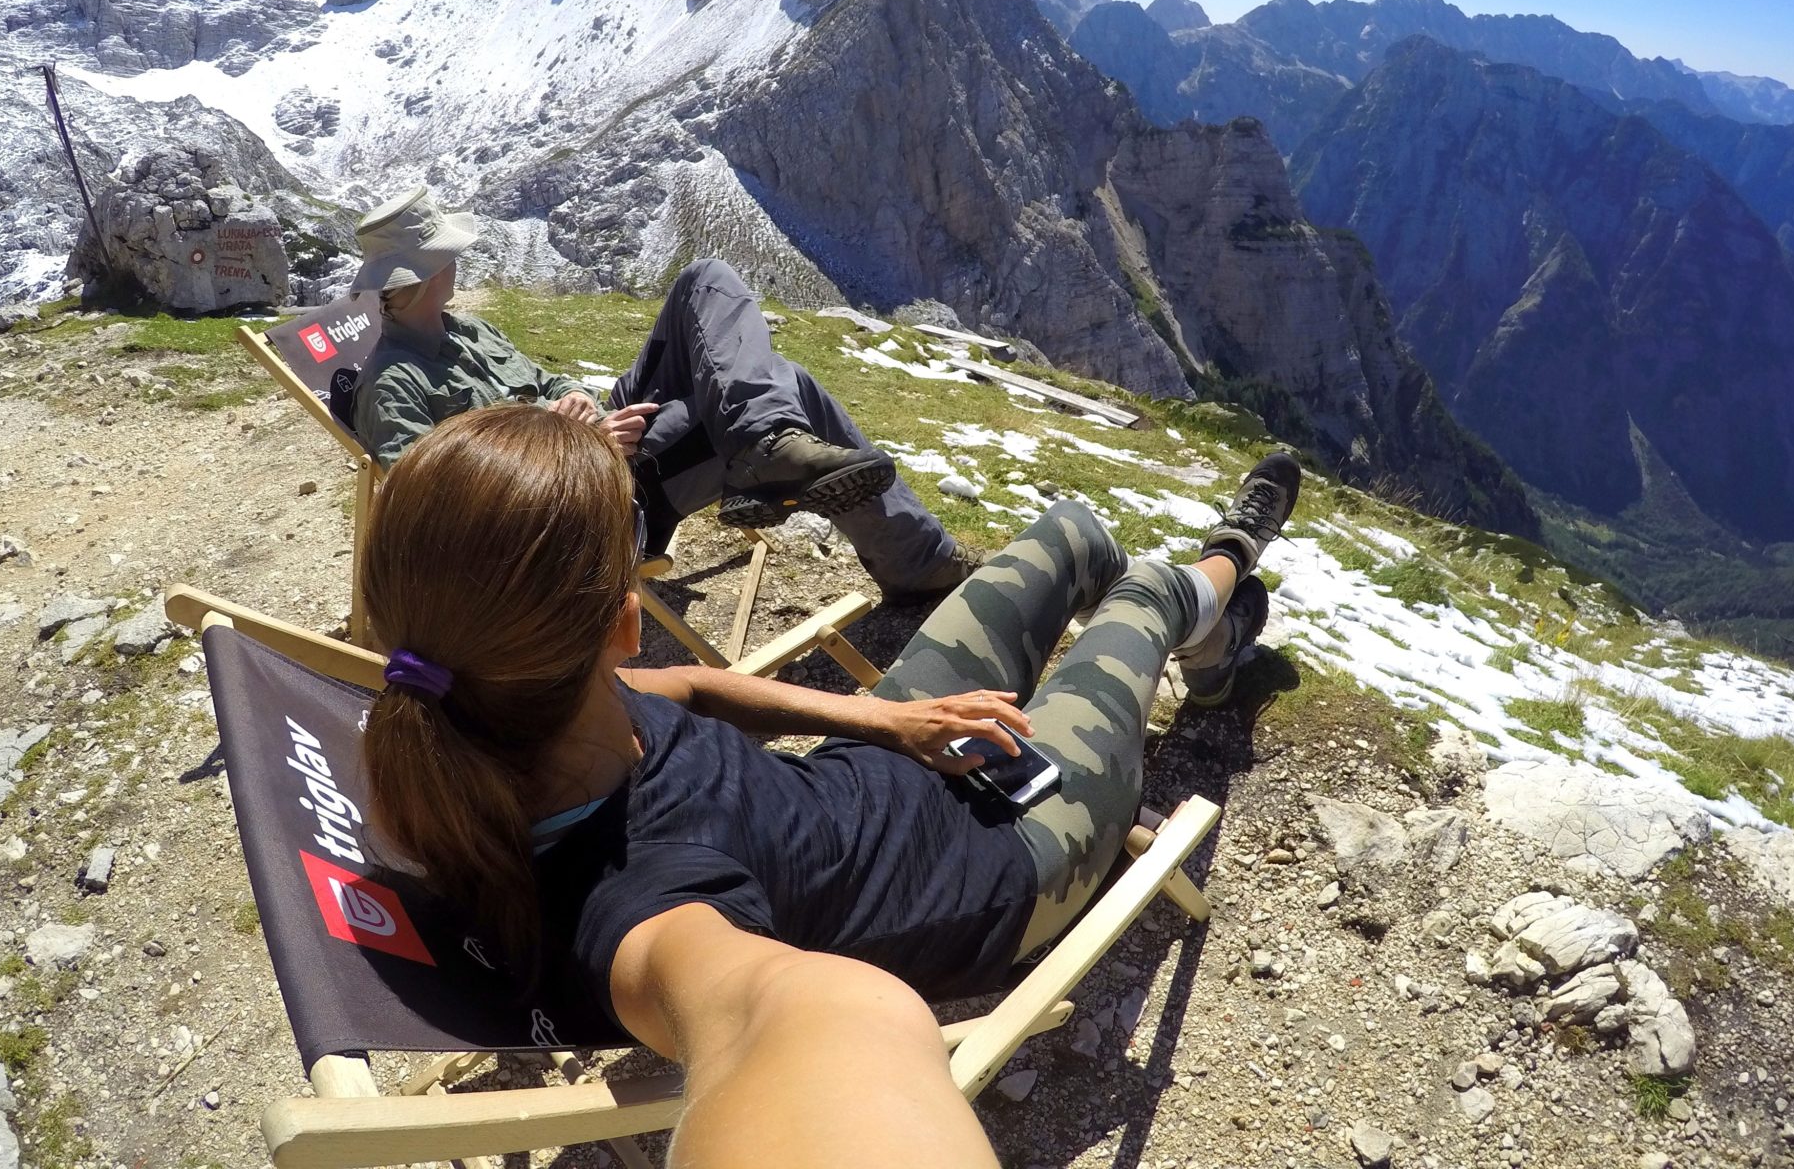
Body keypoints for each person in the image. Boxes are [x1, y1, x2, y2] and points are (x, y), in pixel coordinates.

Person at [357, 403, 1301, 1167]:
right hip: (1007, 858)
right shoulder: (652, 912)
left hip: (886, 764)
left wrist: (885, 719)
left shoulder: (495, 707)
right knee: (1141, 598)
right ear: (622, 622)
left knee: (1073, 535)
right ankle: (1227, 572)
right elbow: (800, 1024)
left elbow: (685, 686)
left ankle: (1207, 635)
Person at [348, 186, 977, 600]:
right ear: (431, 271)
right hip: (584, 504)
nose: (460, 262)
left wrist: (582, 408)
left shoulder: (466, 332)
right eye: (449, 254)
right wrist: (577, 446)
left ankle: (765, 440)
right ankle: (914, 559)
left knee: (706, 279)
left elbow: (548, 384)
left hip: (602, 444)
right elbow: (438, 513)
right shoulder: (393, 384)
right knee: (791, 384)